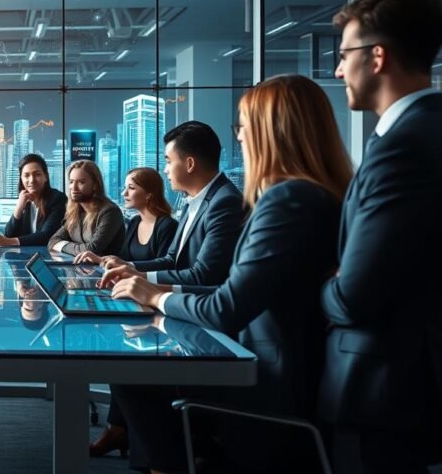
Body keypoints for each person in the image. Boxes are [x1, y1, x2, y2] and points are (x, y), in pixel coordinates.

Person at [108, 75, 352, 473]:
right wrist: (150, 286)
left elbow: (227, 305)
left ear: (269, 132)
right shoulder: (320, 192)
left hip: (266, 380)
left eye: (242, 127)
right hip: (291, 369)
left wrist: (155, 297)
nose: (238, 139)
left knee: (134, 376)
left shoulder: (287, 199)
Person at [319, 0, 442, 474]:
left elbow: (355, 295)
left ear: (377, 57)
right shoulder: (422, 132)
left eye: (344, 55)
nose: (337, 70)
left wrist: (319, 282)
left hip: (388, 385)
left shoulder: (404, 147)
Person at [87, 166, 178, 458]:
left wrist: (131, 270)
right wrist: (106, 260)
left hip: (156, 306)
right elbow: (126, 261)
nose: (124, 193)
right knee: (115, 347)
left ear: (149, 193)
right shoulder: (134, 222)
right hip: (135, 302)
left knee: (121, 354)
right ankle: (118, 428)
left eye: (131, 188)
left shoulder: (166, 226)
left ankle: (120, 430)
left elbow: (168, 266)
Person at [93, 121, 244, 289]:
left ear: (189, 164)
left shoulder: (224, 202)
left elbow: (203, 275)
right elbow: (172, 260)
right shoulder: (191, 202)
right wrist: (130, 267)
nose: (165, 170)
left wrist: (143, 282)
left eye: (169, 162)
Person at [46, 160, 124, 256]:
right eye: (71, 182)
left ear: (95, 185)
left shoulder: (110, 212)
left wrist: (62, 245)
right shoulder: (75, 211)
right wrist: (77, 248)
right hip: (82, 267)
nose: (73, 187)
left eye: (81, 182)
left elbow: (92, 249)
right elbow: (53, 241)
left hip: (106, 269)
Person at [0, 154, 68, 247]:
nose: (31, 180)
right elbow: (9, 234)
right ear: (21, 179)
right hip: (28, 256)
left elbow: (47, 236)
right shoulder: (25, 201)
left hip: (50, 257)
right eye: (26, 175)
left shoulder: (58, 199)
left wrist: (8, 242)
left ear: (46, 177)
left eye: (37, 174)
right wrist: (18, 208)